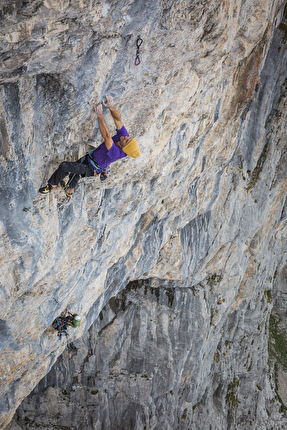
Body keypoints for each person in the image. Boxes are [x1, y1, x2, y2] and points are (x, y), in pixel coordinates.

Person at [39, 95, 140, 196]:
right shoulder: (124, 137)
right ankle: (69, 191)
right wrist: (111, 107)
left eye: (127, 141)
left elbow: (107, 136)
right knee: (75, 173)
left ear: (124, 148)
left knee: (64, 166)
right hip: (90, 158)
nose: (125, 138)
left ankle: (51, 185)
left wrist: (99, 114)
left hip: (91, 168)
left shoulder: (117, 153)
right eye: (129, 138)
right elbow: (118, 121)